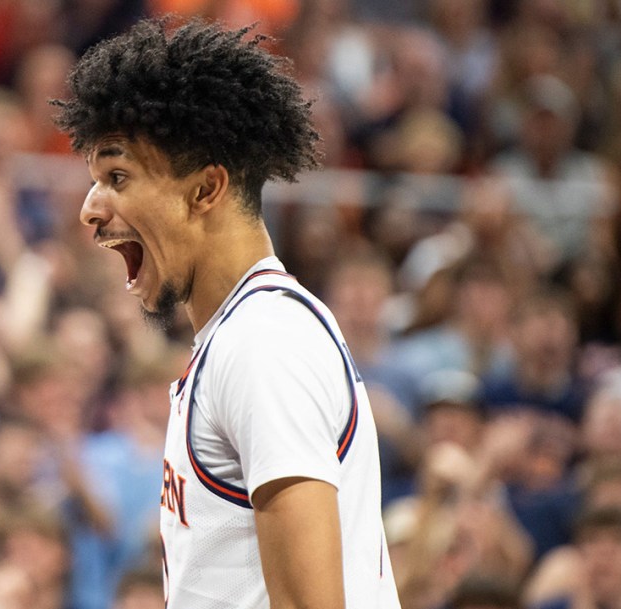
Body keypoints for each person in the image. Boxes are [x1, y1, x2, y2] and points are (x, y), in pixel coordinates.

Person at [55, 17, 400, 609]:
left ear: (206, 190)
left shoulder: (262, 343)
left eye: (118, 177)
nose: (90, 209)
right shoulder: (240, 337)